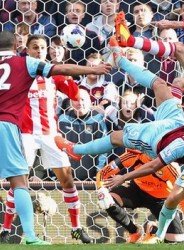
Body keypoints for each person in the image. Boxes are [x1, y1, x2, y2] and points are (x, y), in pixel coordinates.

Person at [54, 38, 184, 208]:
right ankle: (119, 59)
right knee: (160, 84)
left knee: (115, 137)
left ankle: (75, 150)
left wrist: (123, 177)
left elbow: (153, 166)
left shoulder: (180, 146)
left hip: (155, 138)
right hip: (177, 123)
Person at [0, 30, 111, 245]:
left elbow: (77, 97)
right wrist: (93, 69)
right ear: (22, 49)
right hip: (23, 133)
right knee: (18, 182)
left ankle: (76, 228)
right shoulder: (26, 66)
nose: (39, 51)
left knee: (66, 180)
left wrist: (78, 96)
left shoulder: (54, 76)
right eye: (35, 48)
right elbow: (63, 68)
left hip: (50, 133)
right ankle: (10, 230)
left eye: (43, 48)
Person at [96, 149, 184, 243]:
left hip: (161, 199)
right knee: (106, 200)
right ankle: (134, 231)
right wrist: (101, 189)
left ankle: (153, 231)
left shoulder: (170, 166)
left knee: (176, 239)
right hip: (137, 189)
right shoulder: (135, 154)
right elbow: (103, 172)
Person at [58, 89, 108, 181]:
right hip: (66, 177)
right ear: (71, 102)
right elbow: (55, 147)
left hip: (91, 177)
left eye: (83, 99)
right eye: (76, 99)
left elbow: (104, 148)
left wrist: (99, 171)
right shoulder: (63, 120)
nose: (80, 103)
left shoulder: (97, 119)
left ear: (90, 102)